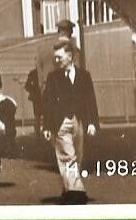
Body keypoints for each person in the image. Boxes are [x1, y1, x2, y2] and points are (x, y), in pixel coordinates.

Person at [42, 40, 98, 205]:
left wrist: (92, 123)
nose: (56, 61)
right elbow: (48, 103)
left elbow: (90, 100)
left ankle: (68, 189)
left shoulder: (84, 76)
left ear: (70, 56)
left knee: (77, 157)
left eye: (59, 57)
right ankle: (77, 191)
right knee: (68, 156)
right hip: (61, 123)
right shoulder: (53, 78)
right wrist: (47, 127)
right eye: (55, 58)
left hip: (78, 122)